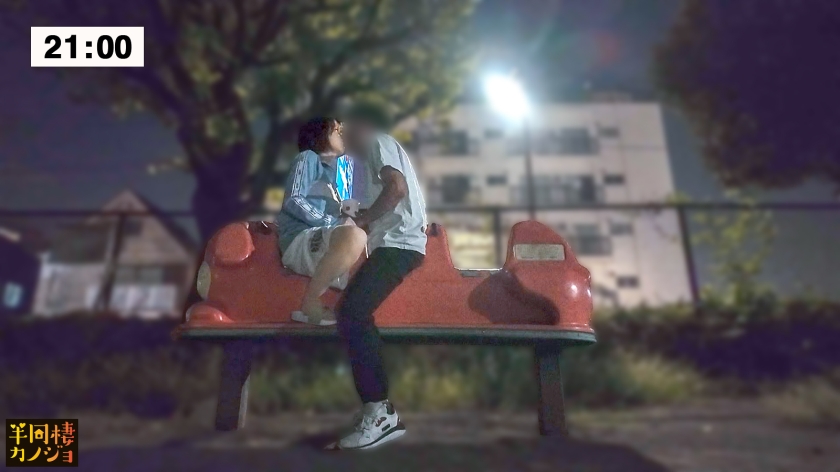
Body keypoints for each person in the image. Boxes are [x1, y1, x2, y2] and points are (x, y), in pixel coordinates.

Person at [329, 105, 428, 450]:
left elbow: (396, 188)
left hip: (399, 245)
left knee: (352, 314)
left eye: (346, 129)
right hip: (396, 244)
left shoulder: (377, 142)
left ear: (363, 125)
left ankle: (380, 411)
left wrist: (363, 220)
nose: (343, 137)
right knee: (352, 312)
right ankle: (377, 410)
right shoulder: (376, 154)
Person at [276, 117, 367, 326]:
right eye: (336, 130)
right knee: (354, 236)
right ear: (320, 134)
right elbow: (294, 199)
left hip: (321, 237)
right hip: (299, 238)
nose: (342, 134)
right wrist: (332, 223)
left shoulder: (334, 175)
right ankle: (310, 304)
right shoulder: (308, 158)